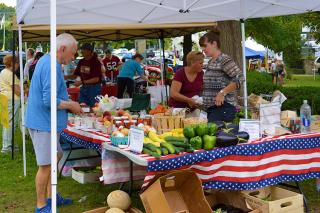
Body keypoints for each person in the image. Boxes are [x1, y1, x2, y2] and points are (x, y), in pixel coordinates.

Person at [25, 33, 82, 213]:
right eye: (73, 53)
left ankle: (51, 196)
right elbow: (48, 100)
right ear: (62, 49)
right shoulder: (51, 65)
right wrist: (71, 105)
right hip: (43, 123)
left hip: (46, 122)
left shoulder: (50, 62)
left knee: (56, 156)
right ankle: (41, 206)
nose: (73, 58)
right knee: (46, 165)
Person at [199, 30, 243, 122]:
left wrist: (222, 92)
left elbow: (240, 78)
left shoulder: (224, 60)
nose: (203, 49)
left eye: (205, 45)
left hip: (222, 109)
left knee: (220, 136)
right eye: (202, 46)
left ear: (214, 44)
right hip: (213, 109)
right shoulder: (211, 61)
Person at [168, 51, 204, 117]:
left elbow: (202, 89)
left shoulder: (201, 73)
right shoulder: (180, 74)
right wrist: (188, 100)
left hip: (193, 110)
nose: (202, 65)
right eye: (200, 63)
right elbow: (173, 94)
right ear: (192, 63)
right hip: (178, 110)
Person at [0, 55, 21, 153]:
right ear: (12, 63)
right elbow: (17, 91)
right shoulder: (10, 74)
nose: (18, 64)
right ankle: (7, 146)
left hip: (4, 98)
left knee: (7, 122)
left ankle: (7, 144)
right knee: (11, 123)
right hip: (11, 99)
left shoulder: (3, 72)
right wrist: (25, 91)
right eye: (17, 62)